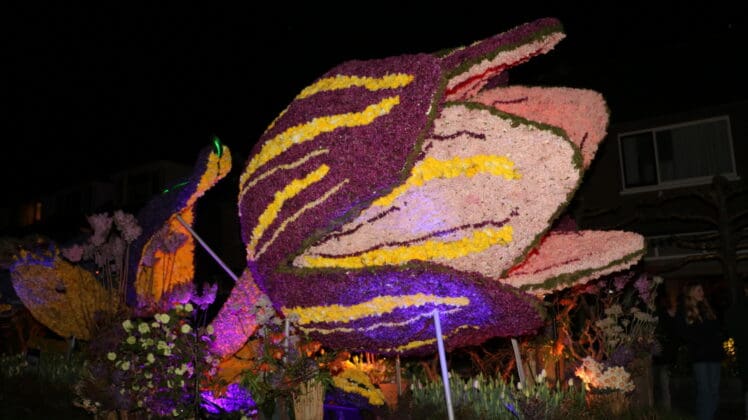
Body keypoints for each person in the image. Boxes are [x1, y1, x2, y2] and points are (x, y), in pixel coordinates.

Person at [676, 281, 726, 420]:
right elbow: (682, 331)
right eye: (699, 290)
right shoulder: (685, 311)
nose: (702, 293)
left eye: (702, 290)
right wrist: (700, 340)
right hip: (700, 355)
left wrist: (718, 338)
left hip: (714, 354)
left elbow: (718, 328)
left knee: (714, 390)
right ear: (691, 292)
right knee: (704, 390)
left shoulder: (707, 308)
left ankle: (709, 416)